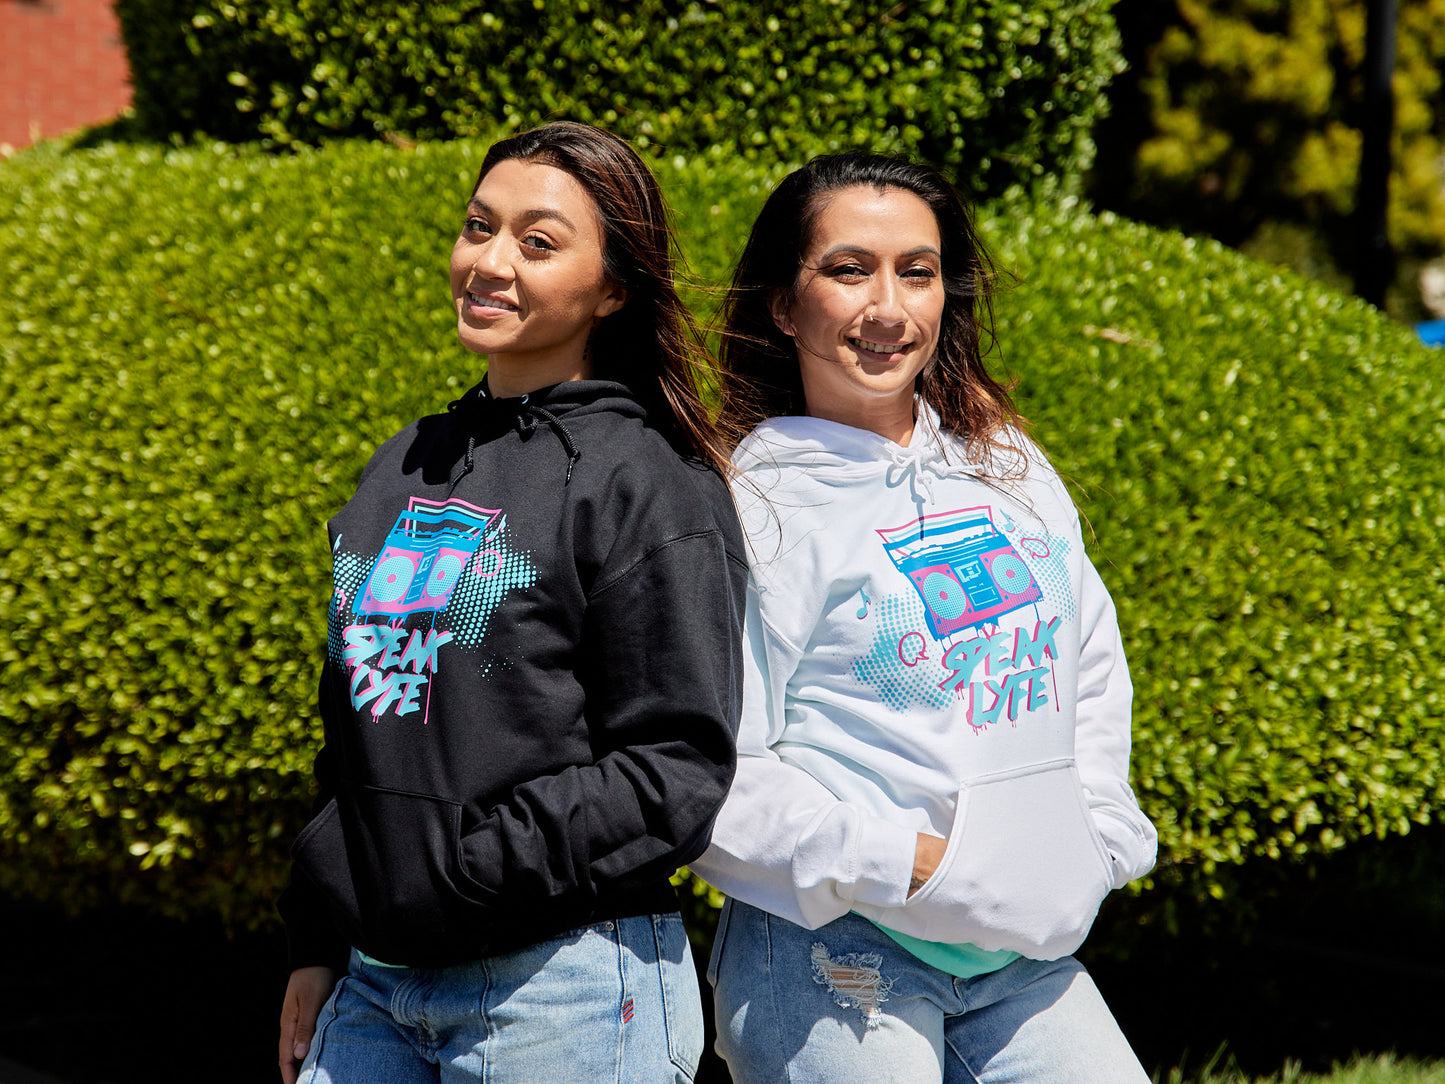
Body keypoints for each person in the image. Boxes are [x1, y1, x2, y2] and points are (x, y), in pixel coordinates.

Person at [275, 121, 747, 1084]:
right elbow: (364, 715)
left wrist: (471, 868)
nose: (489, 263)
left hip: (560, 987)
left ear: (612, 288)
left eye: (537, 243)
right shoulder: (406, 464)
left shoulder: (647, 483)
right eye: (477, 227)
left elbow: (677, 764)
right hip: (376, 983)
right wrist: (321, 930)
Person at [689, 153, 1159, 1083]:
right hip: (833, 953)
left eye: (918, 271)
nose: (888, 309)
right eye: (847, 269)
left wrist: (1095, 829)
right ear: (784, 305)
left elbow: (1089, 662)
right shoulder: (749, 506)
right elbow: (712, 763)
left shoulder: (1008, 466)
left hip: (1019, 955)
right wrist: (905, 864)